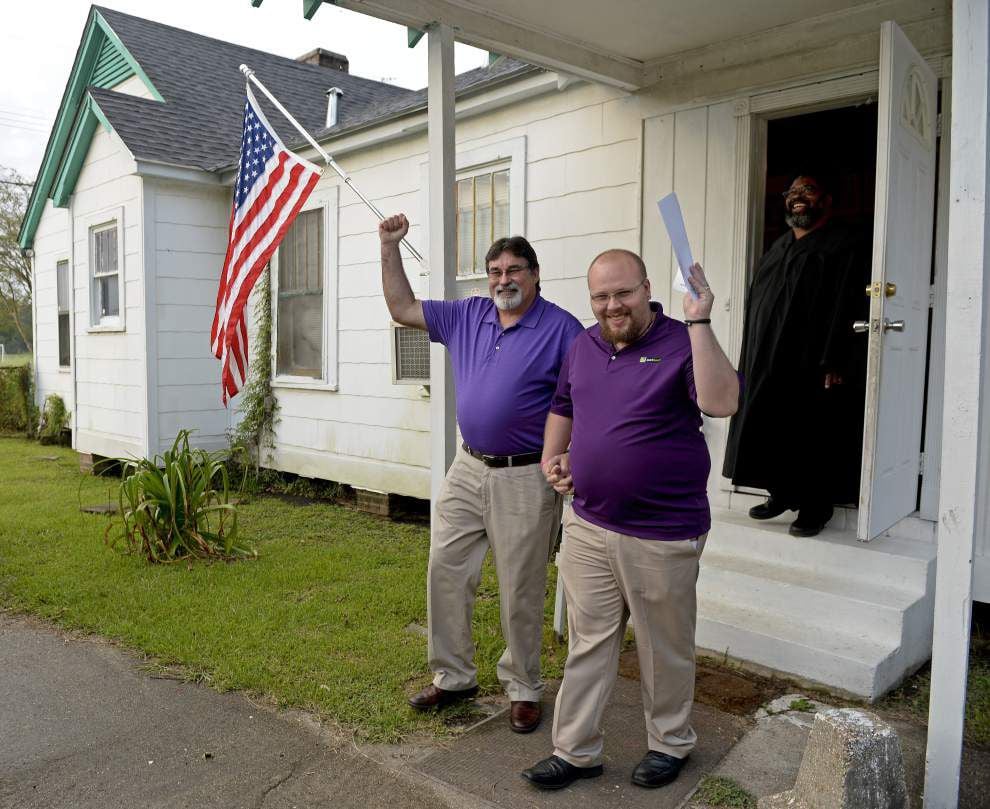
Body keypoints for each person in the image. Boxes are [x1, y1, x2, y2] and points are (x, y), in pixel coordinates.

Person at [521, 250, 739, 790]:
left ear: (646, 289)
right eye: (601, 296)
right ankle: (575, 751)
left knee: (661, 645)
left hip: (662, 530)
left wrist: (701, 319)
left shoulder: (681, 340)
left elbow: (722, 401)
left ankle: (670, 743)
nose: (612, 306)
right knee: (588, 639)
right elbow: (564, 405)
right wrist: (555, 460)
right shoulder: (584, 344)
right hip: (589, 522)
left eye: (623, 293)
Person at [378, 213, 584, 733]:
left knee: (520, 586)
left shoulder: (562, 329)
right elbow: (402, 308)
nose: (503, 279)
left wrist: (574, 457)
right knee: (445, 569)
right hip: (467, 467)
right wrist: (388, 247)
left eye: (514, 269)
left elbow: (588, 398)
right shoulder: (469, 314)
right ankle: (453, 677)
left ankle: (523, 686)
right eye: (494, 270)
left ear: (535, 275)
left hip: (525, 476)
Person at [722, 175, 870, 537]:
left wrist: (837, 358)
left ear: (827, 200)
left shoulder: (843, 245)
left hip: (812, 360)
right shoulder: (777, 247)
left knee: (812, 428)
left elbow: (850, 303)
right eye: (792, 193)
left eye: (808, 191)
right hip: (767, 355)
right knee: (768, 420)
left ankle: (815, 506)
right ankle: (782, 493)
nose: (798, 198)